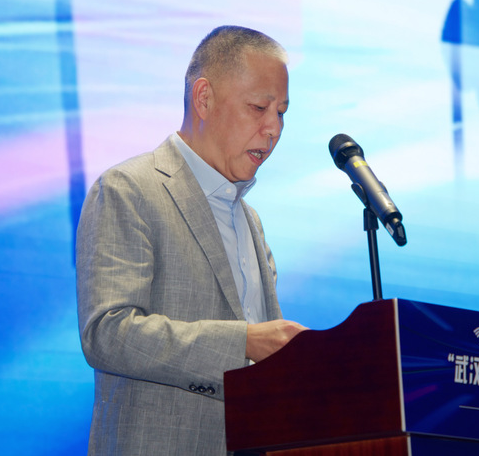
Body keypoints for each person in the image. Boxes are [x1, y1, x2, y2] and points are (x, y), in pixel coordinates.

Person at [76, 25, 307, 455]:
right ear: (203, 98)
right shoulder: (129, 189)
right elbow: (107, 333)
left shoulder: (250, 221)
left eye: (282, 112)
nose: (273, 128)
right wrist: (242, 342)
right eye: (259, 108)